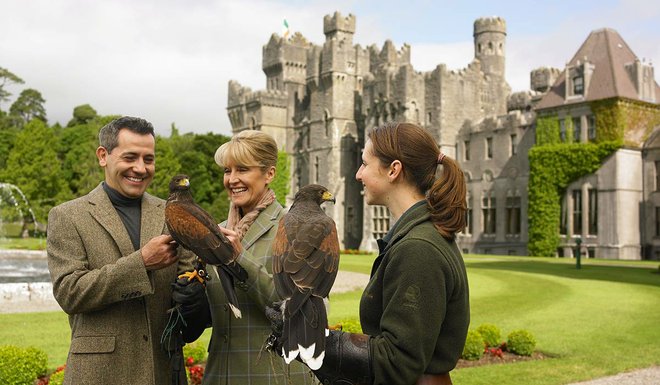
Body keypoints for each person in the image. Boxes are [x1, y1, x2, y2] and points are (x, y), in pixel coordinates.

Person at [271, 121, 470, 385]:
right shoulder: (414, 236)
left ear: (393, 170)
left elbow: (398, 363)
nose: (357, 174)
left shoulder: (418, 248)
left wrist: (323, 342)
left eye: (364, 163)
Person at [47, 116, 194, 385]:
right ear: (103, 156)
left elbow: (190, 295)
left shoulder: (173, 214)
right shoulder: (67, 216)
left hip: (163, 372)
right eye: (130, 157)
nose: (140, 168)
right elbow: (70, 293)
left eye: (148, 159)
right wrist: (141, 263)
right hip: (98, 374)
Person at [176, 130, 313, 384]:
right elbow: (216, 316)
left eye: (243, 170)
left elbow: (304, 311)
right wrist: (193, 303)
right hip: (220, 375)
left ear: (269, 174)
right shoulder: (215, 231)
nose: (232, 179)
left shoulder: (298, 229)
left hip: (275, 377)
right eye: (227, 171)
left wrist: (239, 258)